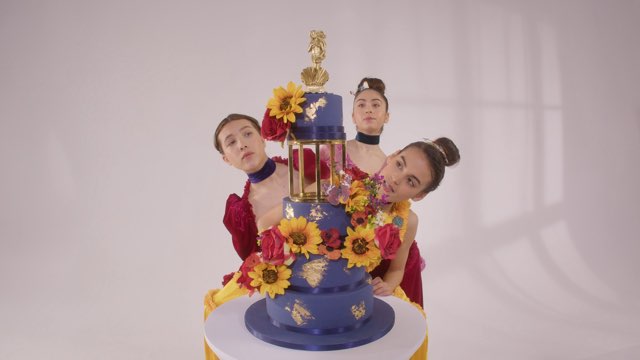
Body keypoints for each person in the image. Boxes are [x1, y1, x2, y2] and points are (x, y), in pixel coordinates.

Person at [369, 138, 460, 307]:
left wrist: (387, 285)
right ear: (392, 156)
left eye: (410, 181)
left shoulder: (407, 222)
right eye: (399, 164)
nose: (396, 179)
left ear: (419, 195)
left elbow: (396, 269)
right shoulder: (348, 191)